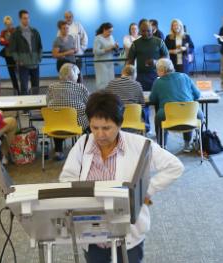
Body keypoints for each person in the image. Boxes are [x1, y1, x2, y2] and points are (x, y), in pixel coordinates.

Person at [60, 91, 183, 263]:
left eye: (106, 128)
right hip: (92, 233)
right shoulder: (83, 144)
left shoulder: (139, 144)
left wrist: (144, 191)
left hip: (128, 235)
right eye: (95, 128)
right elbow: (67, 179)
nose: (100, 135)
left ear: (119, 124)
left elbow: (174, 166)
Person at [149, 58, 201, 153]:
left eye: (157, 70)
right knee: (189, 109)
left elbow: (152, 99)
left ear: (162, 70)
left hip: (169, 117)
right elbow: (197, 95)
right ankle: (187, 143)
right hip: (189, 117)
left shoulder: (158, 82)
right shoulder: (185, 76)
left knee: (158, 116)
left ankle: (162, 145)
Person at [47, 63, 91, 160]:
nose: (78, 76)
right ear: (73, 75)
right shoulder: (81, 88)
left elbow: (47, 104)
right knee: (91, 118)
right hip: (77, 124)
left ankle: (58, 151)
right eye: (77, 74)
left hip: (56, 125)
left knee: (58, 116)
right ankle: (87, 147)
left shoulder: (51, 88)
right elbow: (90, 104)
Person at [8, 9, 42, 95]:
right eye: (24, 18)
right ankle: (25, 108)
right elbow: (12, 50)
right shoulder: (15, 33)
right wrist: (18, 60)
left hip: (35, 63)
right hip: (23, 64)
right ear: (20, 19)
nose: (26, 20)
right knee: (24, 87)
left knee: (36, 86)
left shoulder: (35, 31)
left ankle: (36, 104)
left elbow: (40, 46)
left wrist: (39, 58)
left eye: (28, 18)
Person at [93, 22, 118, 90]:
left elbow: (112, 49)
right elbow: (95, 51)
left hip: (110, 61)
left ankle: (110, 94)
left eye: (111, 31)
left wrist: (115, 47)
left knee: (111, 79)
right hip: (101, 62)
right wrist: (108, 49)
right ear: (104, 29)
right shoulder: (98, 38)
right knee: (102, 80)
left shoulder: (111, 37)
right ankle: (102, 95)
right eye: (109, 31)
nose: (110, 33)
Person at [0, 15, 20, 95]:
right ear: (5, 24)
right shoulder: (3, 32)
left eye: (10, 24)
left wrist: (6, 41)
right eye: (6, 24)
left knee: (19, 73)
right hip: (8, 55)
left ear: (12, 23)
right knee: (12, 74)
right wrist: (9, 42)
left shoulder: (16, 31)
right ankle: (16, 90)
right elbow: (1, 42)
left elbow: (16, 42)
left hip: (16, 55)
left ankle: (22, 90)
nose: (8, 26)